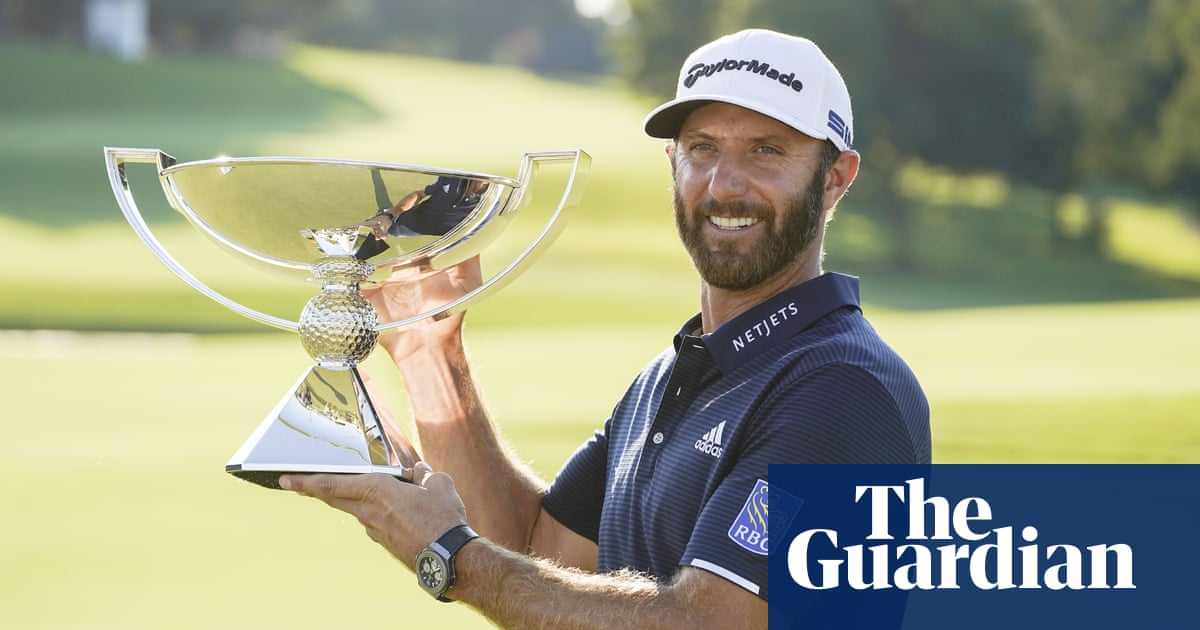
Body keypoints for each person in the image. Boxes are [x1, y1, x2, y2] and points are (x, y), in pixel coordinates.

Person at [280, 28, 931, 629]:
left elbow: (707, 622)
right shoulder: (671, 376)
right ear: (673, 163)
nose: (725, 184)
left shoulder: (845, 390)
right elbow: (534, 550)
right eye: (703, 149)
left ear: (834, 180)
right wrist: (430, 354)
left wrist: (448, 552)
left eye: (767, 151)